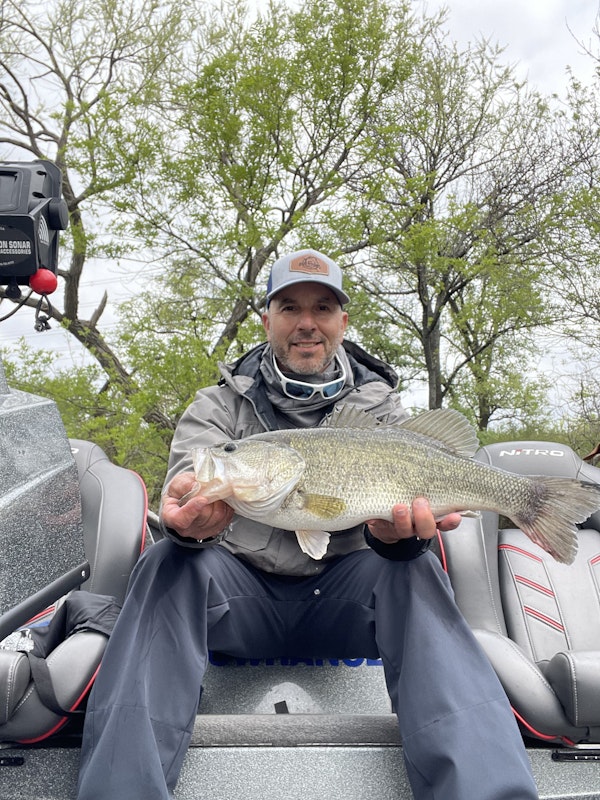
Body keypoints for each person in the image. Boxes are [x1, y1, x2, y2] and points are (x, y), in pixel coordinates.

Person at [76, 249, 539, 800]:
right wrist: (190, 525)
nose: (306, 323)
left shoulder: (382, 413)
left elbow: (401, 522)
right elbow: (187, 482)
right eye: (289, 307)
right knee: (166, 562)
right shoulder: (216, 407)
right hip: (237, 603)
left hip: (348, 601)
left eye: (322, 308)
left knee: (416, 571)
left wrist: (398, 542)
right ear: (267, 320)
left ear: (342, 322)